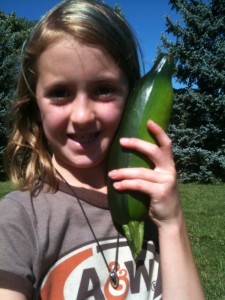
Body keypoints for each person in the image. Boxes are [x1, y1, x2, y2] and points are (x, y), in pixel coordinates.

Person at [0, 0, 205, 299]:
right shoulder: (18, 220)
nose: (82, 115)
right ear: (34, 105)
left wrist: (172, 223)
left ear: (131, 95)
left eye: (103, 89)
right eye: (60, 93)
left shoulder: (154, 204)